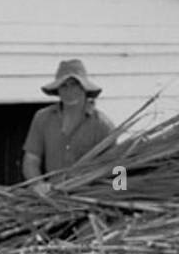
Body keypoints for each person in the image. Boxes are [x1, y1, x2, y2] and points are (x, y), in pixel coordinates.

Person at [22, 59, 115, 195]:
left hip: (89, 198)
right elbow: (31, 159)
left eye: (75, 85)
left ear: (84, 88)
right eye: (64, 86)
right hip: (53, 198)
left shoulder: (102, 125)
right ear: (58, 90)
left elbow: (118, 166)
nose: (69, 91)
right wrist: (38, 185)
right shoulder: (43, 118)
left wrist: (120, 193)